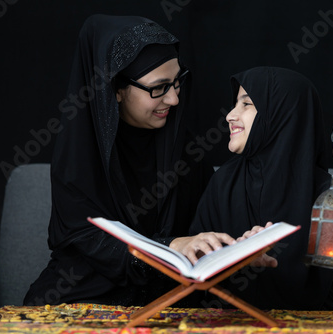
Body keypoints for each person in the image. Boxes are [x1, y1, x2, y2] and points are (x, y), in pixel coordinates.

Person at [24, 15, 221, 306]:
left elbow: (210, 221)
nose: (174, 100)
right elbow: (90, 240)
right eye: (159, 88)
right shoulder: (80, 155)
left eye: (178, 82)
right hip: (83, 298)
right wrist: (168, 247)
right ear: (115, 90)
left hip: (170, 303)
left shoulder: (186, 147)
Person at [170, 67, 333, 310]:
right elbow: (196, 262)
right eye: (235, 104)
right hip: (232, 320)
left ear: (280, 114)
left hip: (314, 322)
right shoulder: (223, 182)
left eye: (246, 105)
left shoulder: (323, 189)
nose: (230, 115)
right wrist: (236, 254)